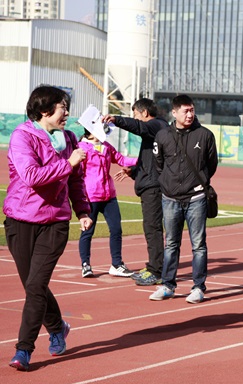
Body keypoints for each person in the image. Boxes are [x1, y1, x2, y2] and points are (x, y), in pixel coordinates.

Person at [5, 86, 92, 371]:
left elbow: (76, 181)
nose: (67, 113)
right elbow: (31, 176)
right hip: (20, 220)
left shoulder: (68, 139)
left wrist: (82, 211)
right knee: (34, 285)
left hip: (54, 223)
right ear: (45, 111)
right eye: (62, 107)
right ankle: (58, 327)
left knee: (35, 285)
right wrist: (68, 164)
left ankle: (23, 350)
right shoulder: (22, 136)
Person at [150, 95, 218, 304]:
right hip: (170, 198)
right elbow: (158, 164)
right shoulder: (162, 136)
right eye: (185, 111)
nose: (189, 115)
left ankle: (198, 287)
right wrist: (168, 184)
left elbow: (211, 164)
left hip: (196, 196)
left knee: (198, 244)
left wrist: (198, 183)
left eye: (192, 110)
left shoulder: (205, 135)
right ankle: (168, 285)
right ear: (175, 112)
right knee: (171, 243)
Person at [104, 98, 169, 286]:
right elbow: (151, 160)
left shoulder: (156, 125)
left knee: (152, 229)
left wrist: (116, 119)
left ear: (145, 113)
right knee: (152, 228)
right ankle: (155, 268)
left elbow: (138, 127)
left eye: (136, 115)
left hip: (153, 188)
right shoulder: (155, 132)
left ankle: (156, 271)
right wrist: (133, 171)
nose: (135, 119)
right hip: (150, 184)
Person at [77, 128, 138, 278]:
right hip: (91, 196)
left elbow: (122, 160)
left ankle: (116, 265)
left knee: (116, 229)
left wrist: (143, 159)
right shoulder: (81, 149)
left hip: (109, 195)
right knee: (88, 231)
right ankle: (85, 265)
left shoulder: (106, 146)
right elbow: (78, 175)